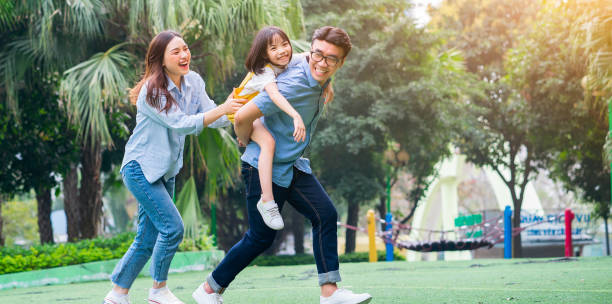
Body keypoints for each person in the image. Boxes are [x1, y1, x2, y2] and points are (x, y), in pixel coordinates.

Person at [192, 26, 372, 304]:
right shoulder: (291, 84)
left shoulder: (308, 63)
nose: (321, 62)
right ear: (313, 49)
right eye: (318, 55)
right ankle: (208, 290)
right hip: (261, 166)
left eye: (330, 58)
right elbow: (241, 116)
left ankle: (330, 293)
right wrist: (243, 139)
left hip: (290, 165)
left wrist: (326, 81)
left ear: (341, 62)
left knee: (324, 214)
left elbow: (309, 60)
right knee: (260, 238)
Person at [102, 30, 244, 304]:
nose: (184, 55)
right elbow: (183, 123)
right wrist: (224, 108)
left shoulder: (194, 82)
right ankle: (158, 290)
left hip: (166, 171)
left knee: (146, 238)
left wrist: (241, 112)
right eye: (175, 51)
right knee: (173, 228)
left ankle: (117, 294)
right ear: (161, 60)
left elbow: (213, 115)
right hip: (140, 168)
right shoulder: (151, 91)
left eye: (185, 49)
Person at [229, 26, 332, 231]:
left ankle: (245, 138)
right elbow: (274, 97)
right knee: (269, 143)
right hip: (240, 111)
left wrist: (325, 76)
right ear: (263, 54)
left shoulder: (287, 60)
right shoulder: (264, 71)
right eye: (273, 48)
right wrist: (295, 115)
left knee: (266, 141)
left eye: (285, 44)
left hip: (252, 112)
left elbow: (307, 57)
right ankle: (267, 201)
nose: (282, 50)